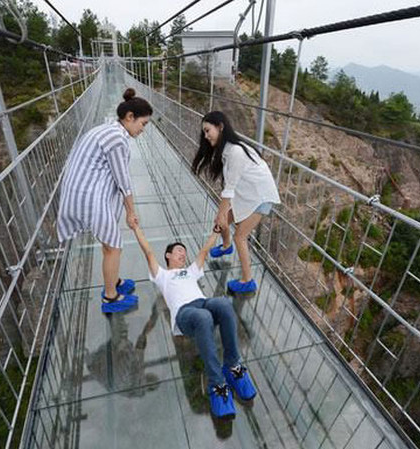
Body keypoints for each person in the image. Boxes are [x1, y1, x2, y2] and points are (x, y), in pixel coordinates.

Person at [130, 223, 258, 419]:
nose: (183, 254)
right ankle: (217, 384)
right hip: (185, 313)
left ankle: (233, 366)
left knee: (224, 304)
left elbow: (205, 251)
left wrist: (216, 232)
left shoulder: (190, 271)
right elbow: (148, 252)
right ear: (168, 256)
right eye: (179, 251)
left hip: (203, 303)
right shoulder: (162, 275)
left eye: (184, 251)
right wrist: (137, 228)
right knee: (203, 317)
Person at [58, 88, 152, 313]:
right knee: (114, 247)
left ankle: (115, 281)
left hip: (82, 191)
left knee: (109, 242)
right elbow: (123, 180)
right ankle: (110, 297)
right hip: (90, 197)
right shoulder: (117, 139)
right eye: (143, 124)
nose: (142, 129)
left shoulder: (108, 129)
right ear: (130, 117)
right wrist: (130, 212)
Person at [191, 111, 280, 293]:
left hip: (260, 197)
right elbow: (230, 187)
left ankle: (247, 281)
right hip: (247, 194)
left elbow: (229, 188)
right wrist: (222, 214)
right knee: (223, 219)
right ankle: (225, 246)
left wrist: (221, 213)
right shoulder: (227, 150)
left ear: (220, 127)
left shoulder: (236, 151)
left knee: (240, 235)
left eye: (208, 131)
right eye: (204, 133)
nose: (206, 136)